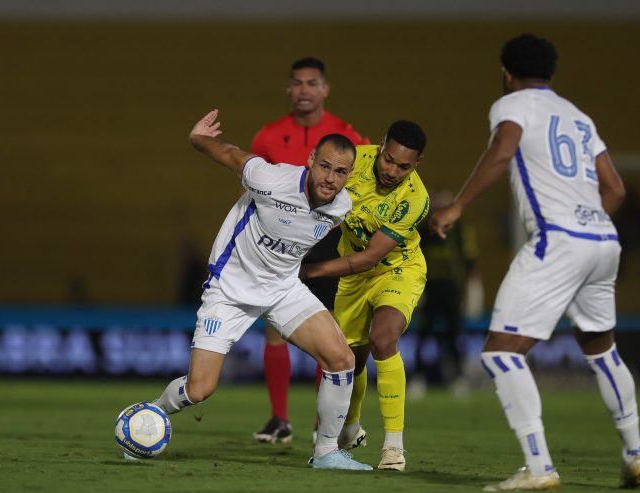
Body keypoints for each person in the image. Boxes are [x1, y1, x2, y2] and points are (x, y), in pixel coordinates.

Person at [430, 33, 640, 491]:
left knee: (499, 352)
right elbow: (616, 190)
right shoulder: (579, 117)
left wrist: (457, 206)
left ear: (507, 73)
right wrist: (586, 224)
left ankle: (538, 466)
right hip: (602, 240)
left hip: (559, 240)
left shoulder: (511, 106)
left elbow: (503, 150)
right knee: (601, 348)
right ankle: (635, 455)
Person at [145, 109, 371, 470]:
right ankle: (150, 415)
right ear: (310, 160)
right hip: (230, 290)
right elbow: (231, 154)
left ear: (349, 175)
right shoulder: (271, 178)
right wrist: (198, 139)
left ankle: (327, 453)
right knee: (200, 389)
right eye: (325, 166)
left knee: (341, 359)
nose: (330, 178)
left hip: (282, 289)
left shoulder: (340, 207)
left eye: (341, 172)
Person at [250, 57, 370, 444]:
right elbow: (252, 191)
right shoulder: (268, 136)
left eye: (311, 83)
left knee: (328, 333)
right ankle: (279, 418)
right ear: (289, 89)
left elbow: (364, 188)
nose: (304, 90)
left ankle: (323, 421)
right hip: (280, 245)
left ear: (325, 89)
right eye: (297, 83)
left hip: (328, 243)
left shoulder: (346, 135)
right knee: (273, 331)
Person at [302, 120, 429, 471]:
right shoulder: (352, 162)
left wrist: (309, 270)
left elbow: (370, 258)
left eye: (404, 166)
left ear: (416, 165)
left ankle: (394, 448)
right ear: (382, 144)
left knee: (383, 338)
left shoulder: (415, 200)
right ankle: (351, 426)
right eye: (389, 159)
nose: (392, 171)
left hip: (396, 269)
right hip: (353, 279)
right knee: (350, 357)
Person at [409, 188, 480, 399]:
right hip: (429, 289)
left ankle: (457, 378)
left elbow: (470, 262)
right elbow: (414, 260)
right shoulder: (424, 230)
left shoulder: (461, 231)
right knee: (423, 335)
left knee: (452, 335)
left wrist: (473, 291)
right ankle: (418, 378)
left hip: (451, 290)